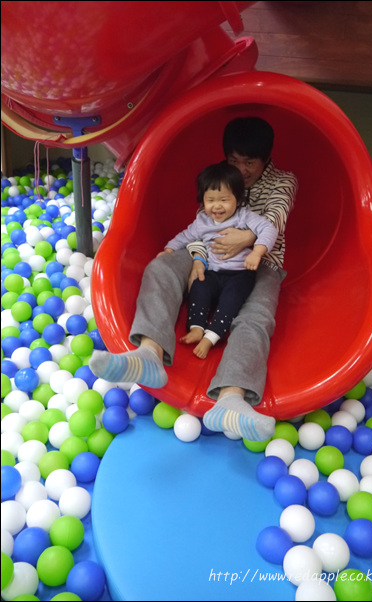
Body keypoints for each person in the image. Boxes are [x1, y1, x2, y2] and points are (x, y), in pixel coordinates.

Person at [90, 117, 298, 441]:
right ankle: (150, 353)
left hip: (260, 261)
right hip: (207, 251)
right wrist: (190, 256)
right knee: (161, 267)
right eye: (235, 161)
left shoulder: (283, 181)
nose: (241, 170)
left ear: (266, 158)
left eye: (249, 163)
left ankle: (232, 397)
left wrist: (245, 239)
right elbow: (200, 223)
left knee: (256, 314)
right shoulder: (219, 176)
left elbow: (275, 218)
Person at [161, 162, 278, 359]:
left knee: (231, 301)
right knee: (199, 286)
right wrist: (169, 249)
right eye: (210, 200)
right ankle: (197, 327)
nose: (217, 206)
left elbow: (269, 229)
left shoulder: (244, 217)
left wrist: (257, 252)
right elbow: (185, 236)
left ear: (237, 199)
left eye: (224, 200)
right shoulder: (202, 222)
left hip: (239, 274)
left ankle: (211, 336)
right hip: (212, 272)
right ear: (203, 200)